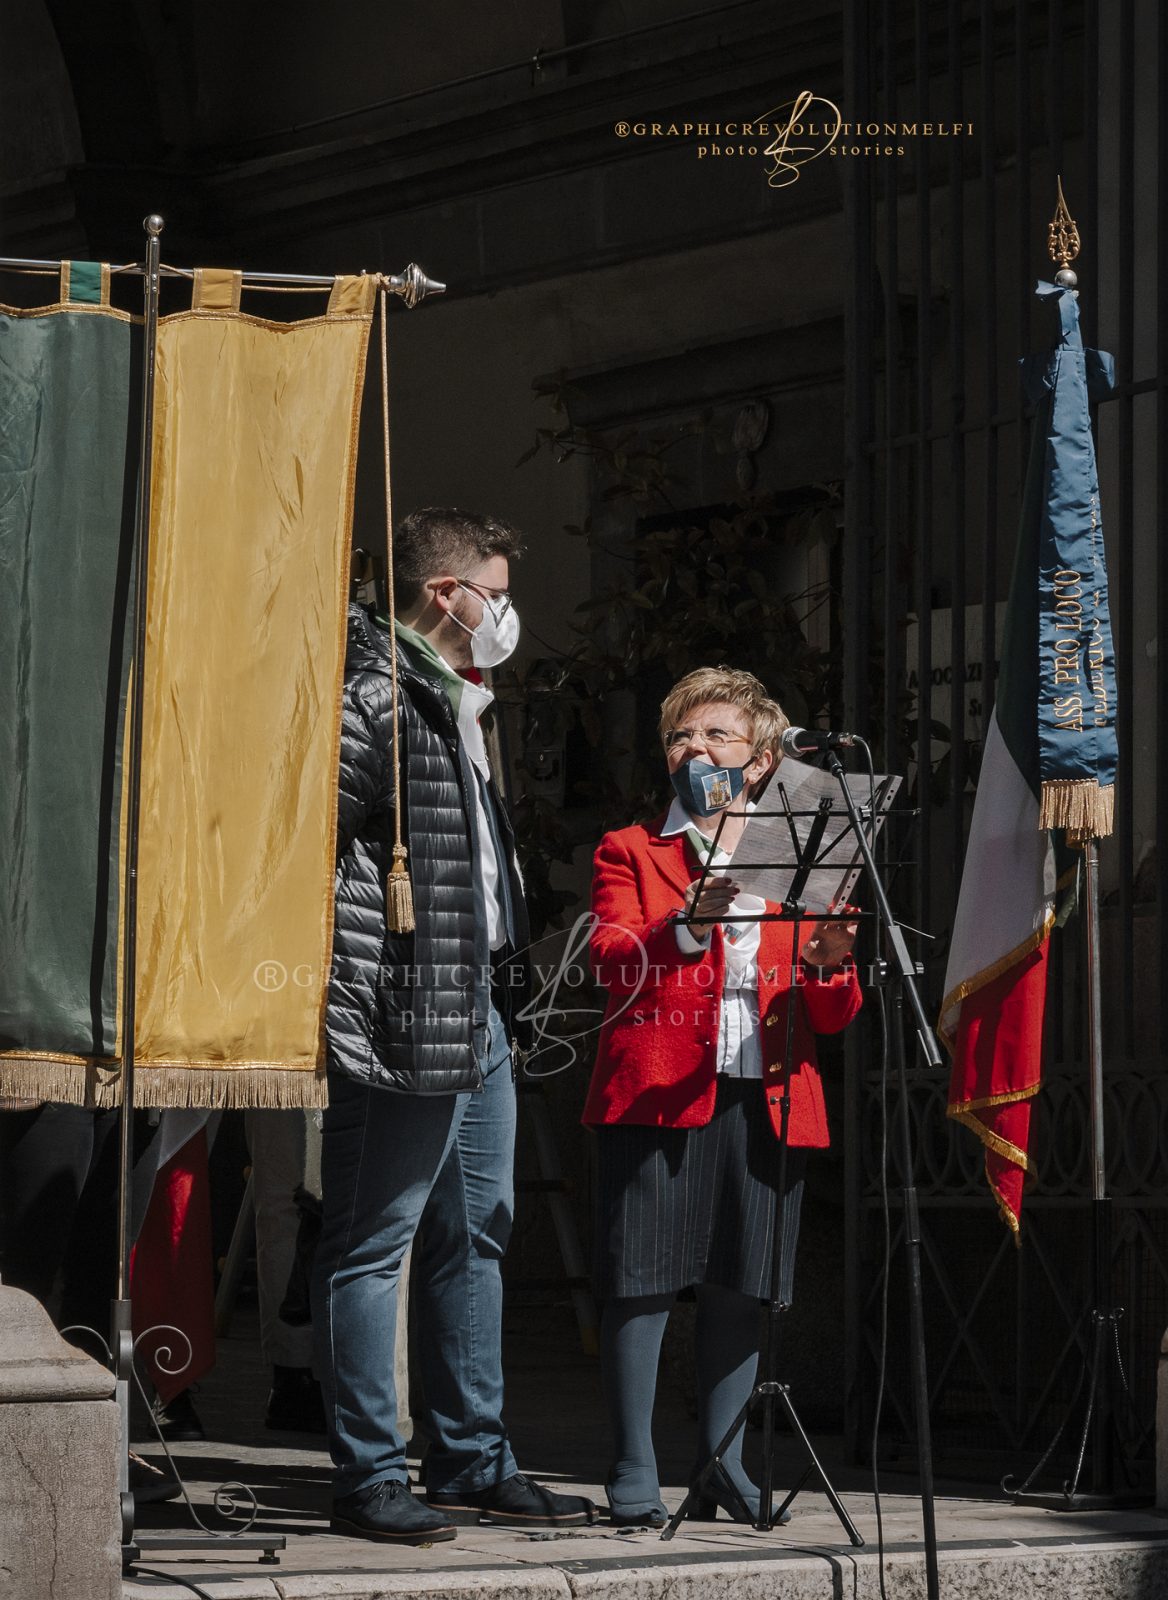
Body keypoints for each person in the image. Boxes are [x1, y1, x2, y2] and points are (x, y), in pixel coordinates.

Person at [311, 507, 597, 1545]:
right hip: (402, 1003)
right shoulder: (377, 692)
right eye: (497, 588)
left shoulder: (460, 699)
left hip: (474, 996)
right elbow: (304, 834)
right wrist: (360, 974)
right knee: (372, 1237)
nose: (504, 609)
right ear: (446, 593)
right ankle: (369, 1472)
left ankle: (473, 1455)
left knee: (478, 1230)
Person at [582, 665, 861, 1527]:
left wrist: (826, 963)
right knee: (644, 1279)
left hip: (767, 1087)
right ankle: (632, 1464)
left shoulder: (805, 856)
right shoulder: (632, 848)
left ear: (763, 756)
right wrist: (690, 922)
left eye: (717, 735)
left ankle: (723, 1464)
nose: (695, 749)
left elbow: (833, 1010)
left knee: (744, 1281)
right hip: (659, 1090)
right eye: (681, 735)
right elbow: (610, 960)